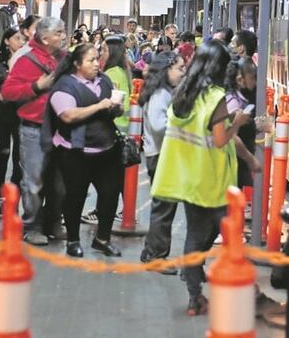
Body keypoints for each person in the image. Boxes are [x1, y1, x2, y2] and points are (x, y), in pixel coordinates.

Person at [150, 43, 252, 316]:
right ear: (219, 67)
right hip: (213, 180)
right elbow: (220, 140)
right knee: (230, 235)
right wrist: (238, 122)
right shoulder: (216, 97)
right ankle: (241, 295)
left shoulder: (183, 92)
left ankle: (195, 296)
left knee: (195, 235)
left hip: (188, 179)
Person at [46, 43, 126, 258]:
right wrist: (99, 106)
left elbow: (115, 112)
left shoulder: (105, 81)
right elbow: (68, 115)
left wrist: (117, 108)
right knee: (75, 196)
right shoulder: (65, 86)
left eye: (97, 59)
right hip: (75, 152)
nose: (96, 64)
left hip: (107, 149)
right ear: (77, 64)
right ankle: (73, 240)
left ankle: (102, 239)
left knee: (110, 196)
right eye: (90, 60)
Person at [1, 16, 67, 245]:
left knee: (60, 182)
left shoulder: (63, 59)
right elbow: (8, 92)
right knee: (34, 181)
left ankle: (54, 221)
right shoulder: (26, 60)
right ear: (45, 38)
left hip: (61, 129)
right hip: (34, 129)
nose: (63, 36)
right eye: (58, 32)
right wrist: (37, 87)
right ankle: (31, 225)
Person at [139, 51, 184, 266]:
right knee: (164, 208)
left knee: (163, 207)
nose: (182, 73)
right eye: (179, 68)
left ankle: (151, 250)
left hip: (158, 154)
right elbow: (158, 125)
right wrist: (182, 126)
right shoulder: (161, 94)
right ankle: (157, 255)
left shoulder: (163, 91)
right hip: (160, 156)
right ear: (167, 70)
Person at [0, 26, 26, 197]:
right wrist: (1, 96)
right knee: (3, 151)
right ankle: (0, 192)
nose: (21, 42)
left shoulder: (25, 62)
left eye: (23, 39)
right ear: (7, 41)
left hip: (20, 112)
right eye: (17, 38)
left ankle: (15, 192)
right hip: (2, 113)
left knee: (18, 155)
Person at [224, 56, 261, 212]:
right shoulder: (233, 102)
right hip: (232, 165)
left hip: (234, 165)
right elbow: (232, 136)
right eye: (252, 78)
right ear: (240, 80)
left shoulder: (237, 98)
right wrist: (251, 159)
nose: (255, 83)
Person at [101, 35, 133, 132]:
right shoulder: (120, 70)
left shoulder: (113, 73)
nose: (101, 53)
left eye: (104, 50)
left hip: (115, 125)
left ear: (113, 53)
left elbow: (112, 103)